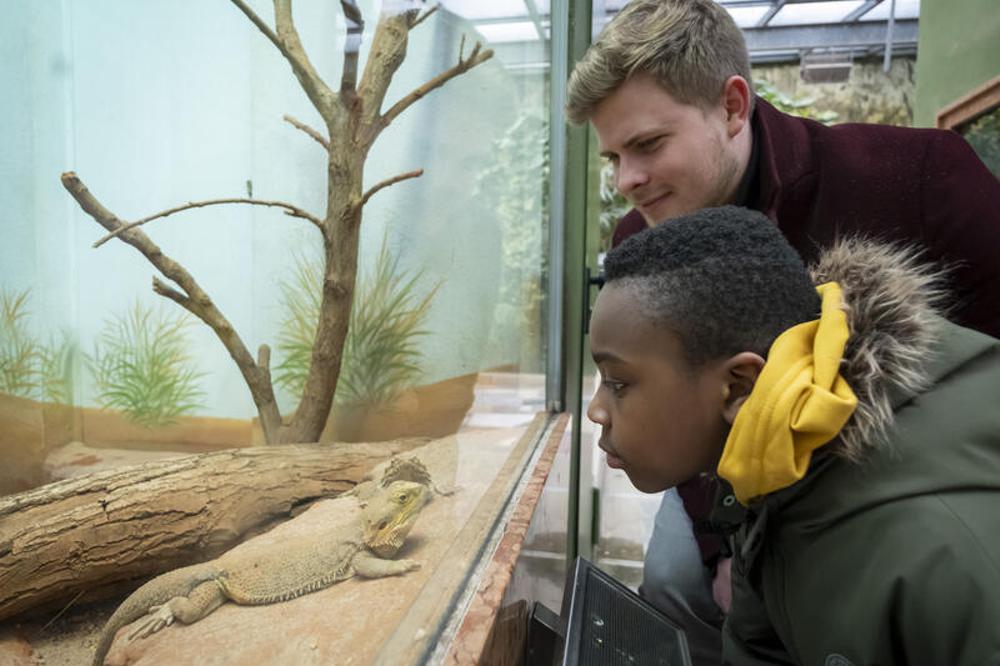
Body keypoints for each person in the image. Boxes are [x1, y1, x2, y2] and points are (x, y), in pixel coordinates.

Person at [566, 1, 1000, 660]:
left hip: (903, 472)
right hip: (741, 486)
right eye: (614, 156)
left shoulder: (915, 177)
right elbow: (682, 422)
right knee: (676, 577)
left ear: (733, 107)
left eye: (649, 145)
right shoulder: (643, 234)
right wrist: (727, 547)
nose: (628, 181)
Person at [588, 205, 1000, 665]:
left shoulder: (939, 549)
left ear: (739, 386)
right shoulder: (771, 467)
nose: (596, 411)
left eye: (618, 383)